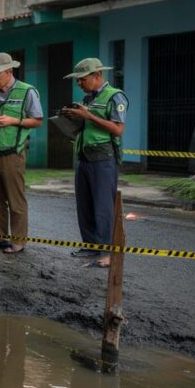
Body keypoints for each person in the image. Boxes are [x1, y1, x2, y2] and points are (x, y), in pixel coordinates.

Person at [60, 58, 128, 269]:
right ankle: (90, 245)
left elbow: (117, 129)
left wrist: (87, 115)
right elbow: (86, 126)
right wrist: (71, 117)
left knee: (103, 207)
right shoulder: (87, 98)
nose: (79, 84)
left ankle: (107, 252)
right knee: (85, 205)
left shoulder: (115, 96)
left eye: (82, 79)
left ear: (97, 76)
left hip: (103, 158)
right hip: (83, 156)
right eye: (77, 80)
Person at [0, 53, 43, 254]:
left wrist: (14, 121)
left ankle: (18, 241)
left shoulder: (27, 92)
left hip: (13, 153)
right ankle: (0, 237)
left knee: (15, 199)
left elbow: (37, 120)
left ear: (9, 72)